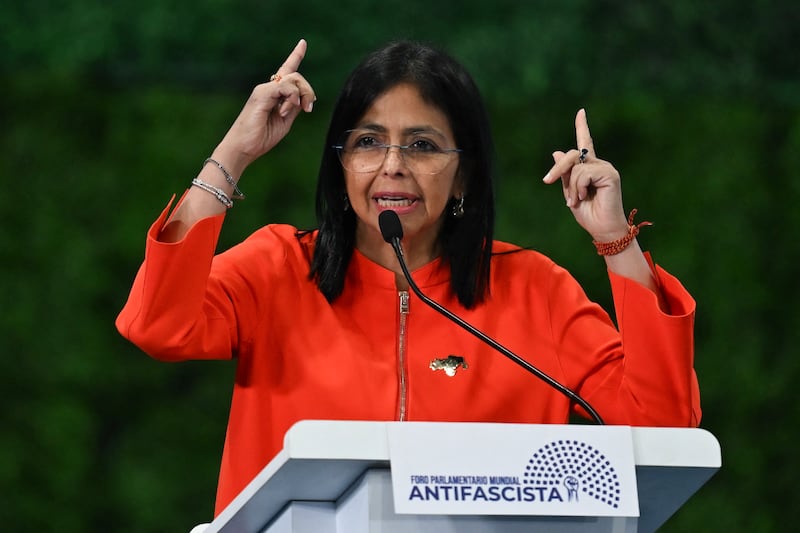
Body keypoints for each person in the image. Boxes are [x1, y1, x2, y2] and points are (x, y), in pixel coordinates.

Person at [116, 39, 701, 516]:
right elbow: (156, 325)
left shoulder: (535, 290)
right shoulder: (278, 268)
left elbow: (664, 426)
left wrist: (614, 242)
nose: (392, 164)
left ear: (464, 176)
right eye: (368, 142)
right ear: (341, 163)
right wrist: (232, 153)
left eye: (422, 145)